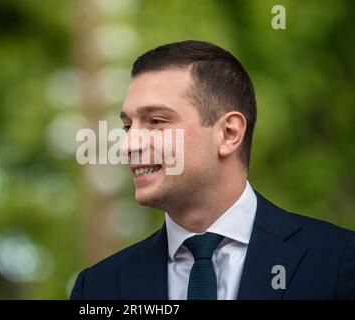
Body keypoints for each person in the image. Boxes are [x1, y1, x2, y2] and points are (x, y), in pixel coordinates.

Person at [70, 40, 355, 299]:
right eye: (128, 126)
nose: (128, 145)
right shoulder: (97, 288)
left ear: (229, 133)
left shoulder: (339, 262)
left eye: (156, 121)